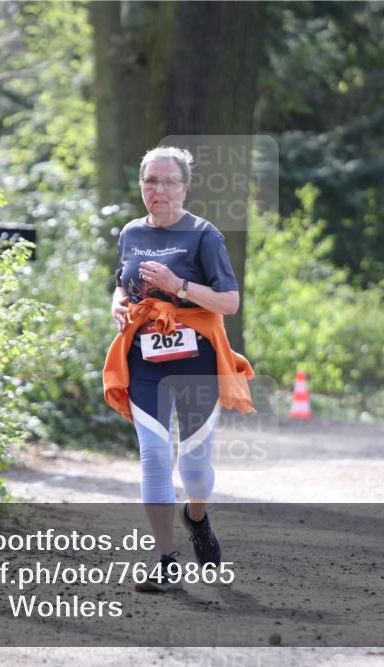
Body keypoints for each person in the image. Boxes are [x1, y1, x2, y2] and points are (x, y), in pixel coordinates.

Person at [102, 146, 255, 593]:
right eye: (151, 181)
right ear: (142, 186)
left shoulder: (205, 236)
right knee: (154, 457)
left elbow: (229, 302)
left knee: (194, 465)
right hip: (144, 361)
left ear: (184, 188)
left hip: (197, 362)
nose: (159, 190)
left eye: (168, 182)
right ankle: (165, 559)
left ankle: (197, 517)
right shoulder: (131, 232)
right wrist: (118, 306)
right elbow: (121, 283)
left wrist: (178, 287)